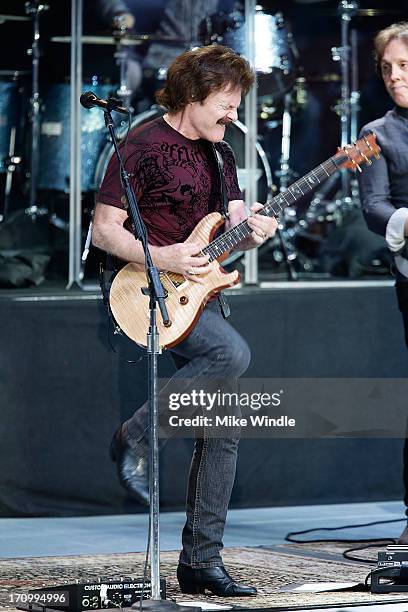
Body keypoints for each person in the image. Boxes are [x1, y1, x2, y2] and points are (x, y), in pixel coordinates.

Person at [92, 44, 278, 596]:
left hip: (196, 288)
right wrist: (163, 256)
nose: (233, 115)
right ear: (193, 97)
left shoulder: (221, 154)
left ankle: (201, 562)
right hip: (142, 284)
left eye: (237, 103)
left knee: (223, 428)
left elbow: (220, 248)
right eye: (224, 103)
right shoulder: (142, 144)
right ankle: (137, 435)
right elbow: (104, 229)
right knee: (230, 353)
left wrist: (252, 233)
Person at [357, 21, 408, 544]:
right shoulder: (376, 135)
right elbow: (373, 209)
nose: (395, 77)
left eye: (406, 67)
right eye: (388, 68)